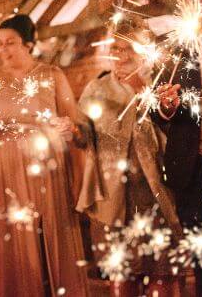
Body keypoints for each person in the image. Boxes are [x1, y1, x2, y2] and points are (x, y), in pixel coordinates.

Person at [0, 14, 88, 297]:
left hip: (41, 164)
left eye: (11, 43)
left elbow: (75, 121)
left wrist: (68, 127)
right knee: (6, 235)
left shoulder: (52, 75)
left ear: (29, 44)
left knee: (43, 231)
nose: (4, 50)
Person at [77, 17, 181, 296]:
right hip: (115, 197)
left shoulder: (162, 85)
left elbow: (177, 133)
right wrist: (72, 131)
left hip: (156, 192)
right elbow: (83, 134)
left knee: (163, 272)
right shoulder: (95, 90)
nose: (121, 55)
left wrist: (141, 91)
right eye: (115, 48)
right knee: (122, 274)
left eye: (128, 48)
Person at [148, 0, 202, 297]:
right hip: (193, 166)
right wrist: (166, 105)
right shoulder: (173, 48)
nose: (190, 3)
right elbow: (154, 107)